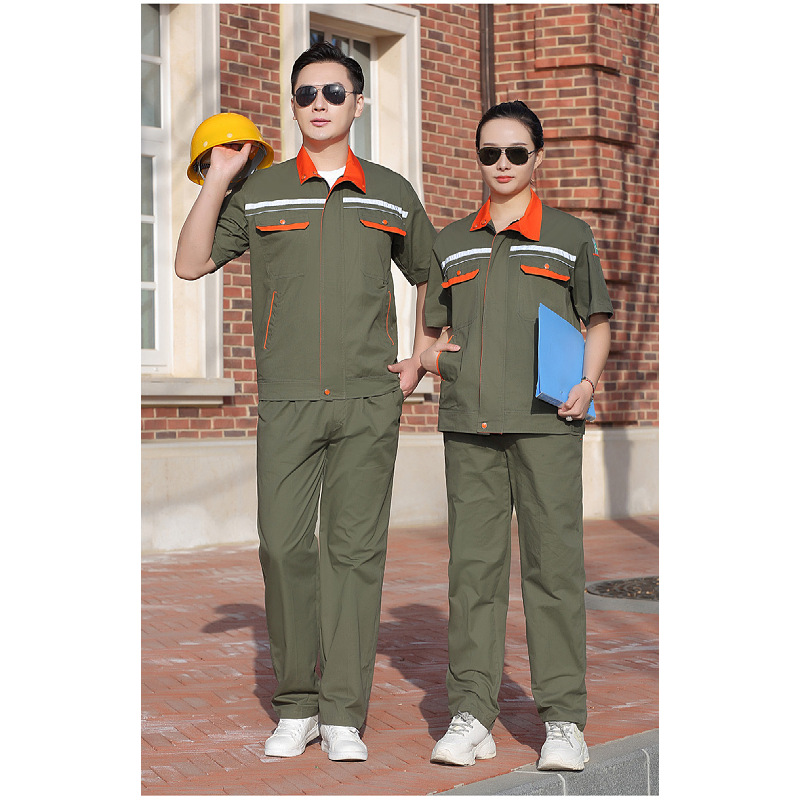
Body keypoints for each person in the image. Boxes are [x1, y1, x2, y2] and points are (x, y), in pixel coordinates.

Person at [175, 42, 437, 762]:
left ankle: (343, 710)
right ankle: (297, 705)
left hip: (368, 399)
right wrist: (219, 176)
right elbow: (190, 262)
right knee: (284, 546)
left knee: (354, 554)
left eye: (333, 92)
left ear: (358, 103)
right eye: (305, 94)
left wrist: (419, 358)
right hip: (288, 398)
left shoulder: (390, 191)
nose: (319, 104)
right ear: (293, 107)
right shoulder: (262, 192)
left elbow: (430, 273)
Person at [420, 101, 613, 771]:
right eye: (489, 153)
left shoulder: (569, 235)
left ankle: (562, 720)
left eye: (515, 153)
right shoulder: (452, 241)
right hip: (469, 425)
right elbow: (432, 327)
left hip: (546, 424)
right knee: (472, 575)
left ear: (537, 158)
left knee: (553, 572)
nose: (501, 164)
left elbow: (596, 320)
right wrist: (431, 360)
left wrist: (587, 382)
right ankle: (472, 714)